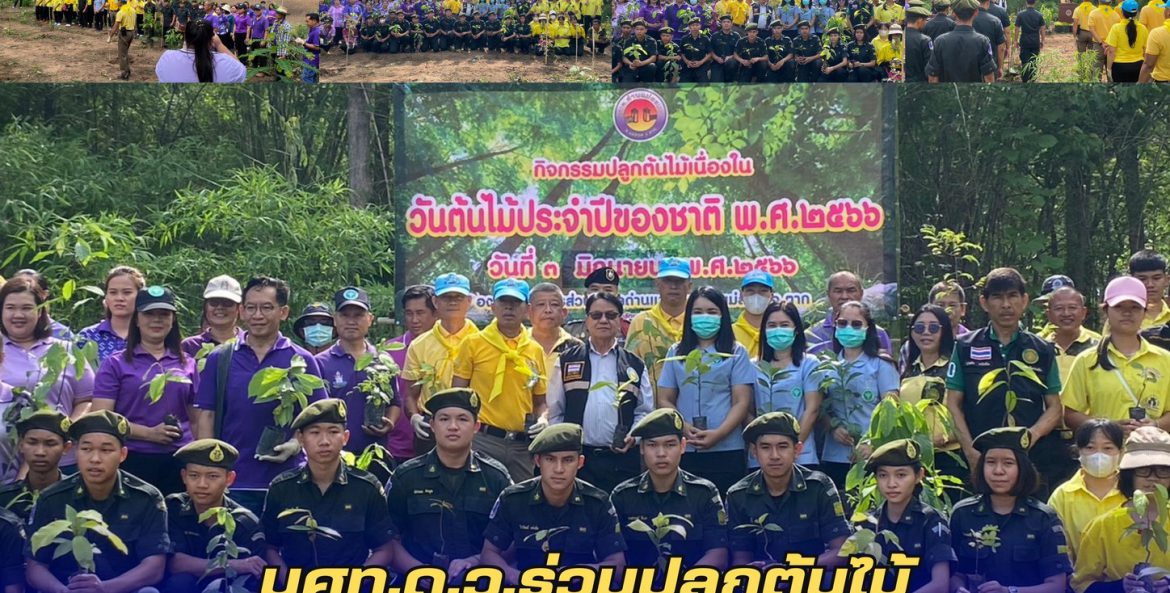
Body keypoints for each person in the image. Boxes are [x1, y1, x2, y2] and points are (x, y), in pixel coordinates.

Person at [191, 276, 327, 517]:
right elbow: (207, 416)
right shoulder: (220, 358)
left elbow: (318, 418)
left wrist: (296, 443)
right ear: (242, 311)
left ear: (283, 312)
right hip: (233, 482)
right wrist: (209, 469)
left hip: (288, 479)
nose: (258, 315)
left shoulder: (301, 360)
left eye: (266, 308)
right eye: (251, 308)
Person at [946, 268, 1066, 497]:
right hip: (981, 459)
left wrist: (1030, 437)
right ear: (984, 302)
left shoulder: (1042, 349)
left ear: (1024, 300)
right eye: (997, 297)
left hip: (1030, 459)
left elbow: (1055, 407)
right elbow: (952, 404)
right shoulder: (965, 346)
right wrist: (971, 452)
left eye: (1012, 296)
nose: (1006, 305)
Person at [25, 411, 170, 593]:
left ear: (122, 454)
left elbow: (154, 566)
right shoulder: (52, 498)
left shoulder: (146, 498)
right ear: (76, 452)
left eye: (106, 450)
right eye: (86, 449)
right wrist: (61, 590)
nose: (95, 459)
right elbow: (35, 565)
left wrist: (104, 588)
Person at [386, 388, 512, 579]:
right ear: (432, 425)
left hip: (479, 579)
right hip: (417, 580)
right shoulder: (406, 477)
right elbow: (388, 538)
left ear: (476, 426)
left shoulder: (496, 477)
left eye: (462, 419)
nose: (453, 426)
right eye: (444, 419)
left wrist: (476, 561)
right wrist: (419, 573)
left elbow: (512, 539)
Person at [261, 400, 398, 573]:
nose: (324, 441)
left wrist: (354, 582)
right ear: (301, 439)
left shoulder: (366, 488)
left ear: (345, 437)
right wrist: (289, 583)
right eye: (315, 433)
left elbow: (384, 548)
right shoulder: (282, 488)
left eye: (333, 432)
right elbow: (269, 548)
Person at [480, 423, 626, 579]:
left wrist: (577, 573)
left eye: (568, 460)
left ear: (580, 463)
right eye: (550, 459)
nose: (559, 469)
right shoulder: (513, 499)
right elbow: (488, 553)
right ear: (538, 461)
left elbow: (617, 563)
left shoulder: (597, 503)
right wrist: (514, 577)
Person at [91, 285, 196, 496]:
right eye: (149, 314)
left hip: (179, 459)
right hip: (133, 458)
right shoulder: (116, 364)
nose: (156, 320)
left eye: (164, 314)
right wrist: (149, 434)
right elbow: (102, 418)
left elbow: (197, 418)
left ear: (173, 319)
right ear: (137, 320)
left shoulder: (188, 363)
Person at [545, 292, 653, 493]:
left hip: (622, 460)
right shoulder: (567, 361)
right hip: (579, 460)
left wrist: (634, 436)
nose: (603, 320)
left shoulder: (635, 364)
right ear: (587, 321)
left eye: (611, 315)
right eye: (596, 315)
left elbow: (644, 411)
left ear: (619, 321)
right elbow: (555, 411)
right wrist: (565, 446)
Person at [949, 427, 1072, 593]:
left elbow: (1056, 585)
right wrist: (958, 588)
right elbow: (954, 573)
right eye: (991, 462)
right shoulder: (963, 514)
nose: (998, 471)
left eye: (1008, 463)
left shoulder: (1043, 518)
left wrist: (1009, 591)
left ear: (1022, 468)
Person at [657, 287, 755, 494]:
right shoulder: (676, 352)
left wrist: (719, 434)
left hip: (728, 448)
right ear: (689, 316)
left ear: (722, 315)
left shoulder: (736, 352)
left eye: (712, 312)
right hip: (686, 446)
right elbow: (665, 398)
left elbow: (741, 401)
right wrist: (684, 427)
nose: (705, 317)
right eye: (698, 312)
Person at [452, 279, 548, 482]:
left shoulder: (535, 349)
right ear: (493, 306)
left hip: (522, 445)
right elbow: (457, 395)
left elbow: (540, 401)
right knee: (479, 495)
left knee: (521, 497)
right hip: (483, 439)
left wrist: (543, 419)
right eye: (503, 301)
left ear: (527, 310)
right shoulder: (473, 343)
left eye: (516, 302)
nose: (509, 307)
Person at [611, 408, 729, 572]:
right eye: (652, 445)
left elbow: (718, 553)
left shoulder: (703, 493)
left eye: (670, 445)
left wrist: (685, 582)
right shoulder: (623, 495)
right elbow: (613, 556)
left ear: (682, 446)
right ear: (642, 448)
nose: (661, 453)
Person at [1, 276, 94, 480]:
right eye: (10, 308)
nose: (18, 315)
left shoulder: (64, 349)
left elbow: (87, 399)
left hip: (63, 459)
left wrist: (64, 430)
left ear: (41, 311)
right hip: (8, 461)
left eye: (27, 308)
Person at [727, 412, 849, 567]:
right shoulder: (738, 495)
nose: (774, 456)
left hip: (810, 575)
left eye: (783, 447)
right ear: (754, 451)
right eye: (765, 447)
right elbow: (740, 557)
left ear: (797, 450)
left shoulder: (818, 487)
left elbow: (842, 551)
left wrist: (792, 570)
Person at [1063, 276, 1170, 434]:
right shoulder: (1087, 360)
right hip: (1104, 448)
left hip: (1152, 447)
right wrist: (1107, 428)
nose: (1127, 313)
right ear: (1106, 311)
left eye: (1135, 307)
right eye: (1119, 306)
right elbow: (1069, 413)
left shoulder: (1165, 359)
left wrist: (1156, 425)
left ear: (1144, 312)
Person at [1072, 426, 1170, 593]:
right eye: (1143, 470)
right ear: (1130, 474)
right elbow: (1081, 584)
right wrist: (1119, 587)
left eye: (1162, 471)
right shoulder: (1103, 526)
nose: (1152, 478)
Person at [164, 439, 267, 592]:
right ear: (184, 476)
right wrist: (231, 564)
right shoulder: (173, 507)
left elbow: (255, 571)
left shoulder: (245, 522)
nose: (202, 484)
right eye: (194, 475)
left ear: (229, 479)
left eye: (212, 476)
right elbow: (173, 563)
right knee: (180, 582)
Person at [819, 300, 899, 489]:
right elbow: (820, 408)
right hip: (835, 454)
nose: (848, 328)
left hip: (872, 454)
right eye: (842, 323)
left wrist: (872, 442)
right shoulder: (827, 366)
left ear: (868, 328)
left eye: (856, 324)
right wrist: (833, 427)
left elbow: (891, 410)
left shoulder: (881, 364)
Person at [857, 439, 955, 593]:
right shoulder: (866, 523)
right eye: (883, 475)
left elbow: (940, 584)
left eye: (901, 475)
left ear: (919, 475)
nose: (891, 484)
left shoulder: (931, 521)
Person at [317, 287, 400, 461]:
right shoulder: (320, 363)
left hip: (375, 453)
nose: (351, 321)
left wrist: (389, 423)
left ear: (370, 319)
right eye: (345, 315)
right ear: (335, 320)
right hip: (332, 456)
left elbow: (394, 402)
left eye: (358, 315)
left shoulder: (382, 360)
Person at [402, 274, 478, 460]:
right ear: (435, 302)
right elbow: (410, 394)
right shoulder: (419, 344)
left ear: (469, 301)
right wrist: (414, 417)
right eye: (446, 297)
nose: (452, 302)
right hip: (431, 426)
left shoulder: (483, 342)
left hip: (473, 426)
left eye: (458, 297)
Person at [751, 301, 821, 471]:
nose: (778, 330)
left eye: (784, 325)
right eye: (772, 325)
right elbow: (747, 410)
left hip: (802, 456)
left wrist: (793, 448)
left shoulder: (809, 363)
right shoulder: (752, 366)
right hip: (761, 459)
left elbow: (812, 410)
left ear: (796, 329)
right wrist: (762, 446)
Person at [900, 304, 965, 486]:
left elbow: (967, 411)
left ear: (944, 331)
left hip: (949, 457)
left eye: (934, 328)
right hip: (912, 458)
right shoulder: (909, 369)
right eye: (919, 328)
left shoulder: (955, 368)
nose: (926, 333)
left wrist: (947, 436)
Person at [1047, 419, 1126, 565]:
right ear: (1078, 451)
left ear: (1121, 452)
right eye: (1090, 447)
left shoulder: (1133, 493)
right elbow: (1056, 546)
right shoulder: (1062, 496)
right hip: (1078, 576)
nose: (1099, 455)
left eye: (1108, 448)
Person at [628, 257, 693, 401]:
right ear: (658, 284)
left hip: (695, 405)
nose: (673, 286)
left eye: (679, 281)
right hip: (651, 406)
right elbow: (629, 368)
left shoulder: (697, 320)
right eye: (668, 280)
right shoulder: (641, 322)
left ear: (689, 286)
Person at [0, 410, 72, 522]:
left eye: (50, 444)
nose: (40, 452)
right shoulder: (4, 499)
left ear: (66, 448)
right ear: (21, 445)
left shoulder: (77, 497)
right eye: (32, 443)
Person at [807, 271, 892, 355]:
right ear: (828, 294)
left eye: (851, 290)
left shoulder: (879, 334)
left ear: (861, 293)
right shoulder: (812, 335)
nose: (845, 296)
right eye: (838, 291)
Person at [78, 265, 146, 364]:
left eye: (127, 292)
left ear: (141, 296)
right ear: (106, 296)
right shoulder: (87, 336)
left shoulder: (150, 335)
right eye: (113, 292)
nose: (119, 298)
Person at [1039, 285, 1101, 384]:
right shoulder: (1039, 345)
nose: (1066, 313)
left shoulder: (1099, 345)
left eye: (1072, 308)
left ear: (1083, 312)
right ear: (1049, 314)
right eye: (1059, 308)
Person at [926, 0, 996, 82]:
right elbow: (989, 77)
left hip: (948, 90)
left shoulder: (940, 41)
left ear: (954, 13)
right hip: (974, 90)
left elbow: (933, 76)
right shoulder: (983, 42)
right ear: (976, 13)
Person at [181, 275, 244, 359]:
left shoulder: (249, 343)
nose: (220, 307)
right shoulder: (189, 346)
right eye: (214, 302)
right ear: (206, 307)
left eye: (227, 303)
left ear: (239, 308)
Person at [528, 284, 579, 381]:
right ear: (529, 312)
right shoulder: (518, 345)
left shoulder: (576, 348)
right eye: (541, 304)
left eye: (554, 304)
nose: (548, 310)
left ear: (564, 312)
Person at [12, 270, 73, 341]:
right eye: (16, 288)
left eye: (29, 287)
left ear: (44, 294)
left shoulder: (62, 334)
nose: (22, 292)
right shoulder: (5, 330)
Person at [731, 271, 774, 359]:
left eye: (763, 291)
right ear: (741, 295)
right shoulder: (730, 332)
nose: (756, 296)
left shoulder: (777, 331)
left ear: (771, 296)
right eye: (750, 290)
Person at [1105, 0, 1149, 81]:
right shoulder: (1143, 28)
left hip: (1119, 66)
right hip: (1138, 65)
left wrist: (1108, 69)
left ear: (1122, 12)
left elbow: (1111, 52)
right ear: (1137, 13)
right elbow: (1146, 50)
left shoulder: (1116, 28)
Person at [1013, 0, 1045, 81]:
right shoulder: (1039, 15)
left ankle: (1025, 80)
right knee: (1034, 62)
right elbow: (1042, 29)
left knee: (1024, 61)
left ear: (1026, 2)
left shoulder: (1020, 14)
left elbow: (1017, 28)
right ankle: (1032, 79)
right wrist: (1042, 40)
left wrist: (1015, 40)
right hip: (1035, 41)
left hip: (1024, 41)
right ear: (1035, 2)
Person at [972, 0, 1005, 77]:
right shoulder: (995, 21)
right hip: (990, 65)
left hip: (972, 64)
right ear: (988, 2)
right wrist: (1000, 67)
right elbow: (1001, 47)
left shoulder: (969, 19)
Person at [1091, 0, 1123, 78]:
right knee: (1111, 70)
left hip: (1098, 45)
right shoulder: (1116, 15)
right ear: (1110, 2)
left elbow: (1092, 29)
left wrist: (1101, 43)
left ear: (1099, 1)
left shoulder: (1093, 13)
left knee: (1096, 70)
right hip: (1112, 47)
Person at [1140, 0, 1170, 81]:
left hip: (1163, 80)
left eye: (1165, 9)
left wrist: (1139, 84)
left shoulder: (1157, 33)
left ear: (1168, 13)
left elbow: (1149, 65)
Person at [903, 6, 935, 81]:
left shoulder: (899, 37)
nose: (926, 23)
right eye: (925, 20)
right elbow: (929, 65)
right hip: (918, 83)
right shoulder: (924, 40)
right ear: (920, 20)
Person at [111, 0, 138, 78]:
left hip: (124, 34)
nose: (117, 3)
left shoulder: (121, 12)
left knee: (122, 54)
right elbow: (135, 23)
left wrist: (110, 35)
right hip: (131, 33)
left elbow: (116, 26)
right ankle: (127, 70)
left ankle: (124, 73)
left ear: (120, 2)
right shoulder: (133, 10)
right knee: (125, 52)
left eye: (118, 1)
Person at [300, 12, 323, 82]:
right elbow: (310, 41)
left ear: (314, 21)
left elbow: (317, 47)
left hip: (312, 60)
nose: (306, 23)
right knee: (312, 78)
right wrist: (303, 40)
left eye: (307, 21)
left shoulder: (317, 32)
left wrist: (304, 43)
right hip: (310, 58)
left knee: (307, 78)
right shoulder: (312, 29)